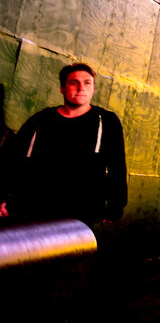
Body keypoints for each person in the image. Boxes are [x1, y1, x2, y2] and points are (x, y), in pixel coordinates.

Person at [1, 63, 127, 227]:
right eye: (74, 82)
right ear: (62, 88)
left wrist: (115, 205)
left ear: (93, 89)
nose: (81, 88)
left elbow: (117, 166)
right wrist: (3, 197)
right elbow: (12, 159)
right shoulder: (41, 119)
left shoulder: (107, 121)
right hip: (32, 209)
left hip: (79, 214)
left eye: (87, 83)